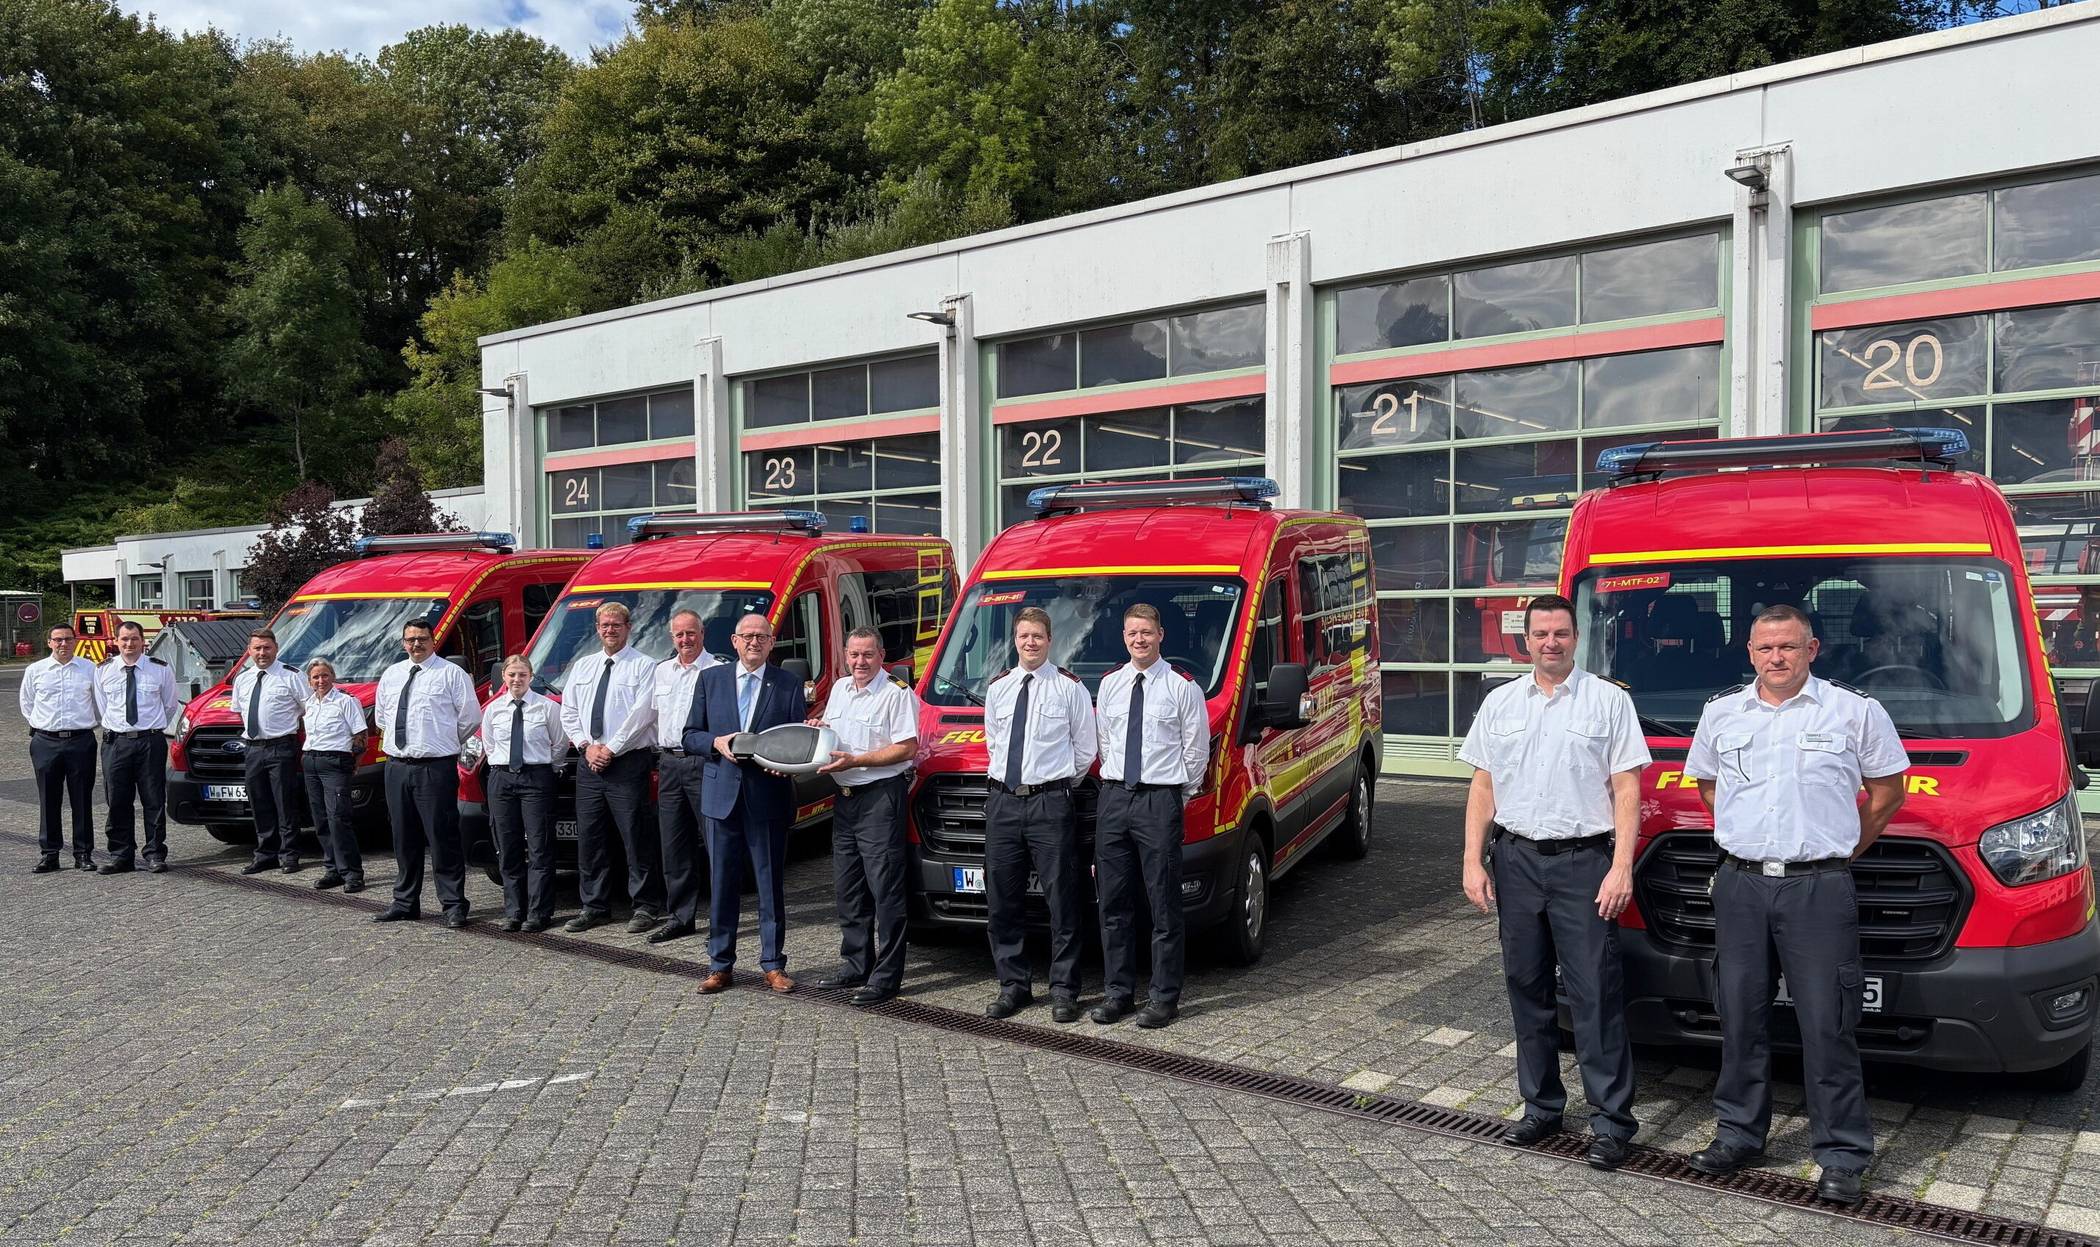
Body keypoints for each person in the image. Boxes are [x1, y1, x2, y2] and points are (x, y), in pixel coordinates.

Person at [1682, 604, 1906, 1206]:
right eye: (1764, 648)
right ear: (1749, 652)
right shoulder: (1721, 714)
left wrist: (1835, 852)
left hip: (1818, 889)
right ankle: (1739, 1135)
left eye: (1788, 646)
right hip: (1741, 884)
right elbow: (1708, 785)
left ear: (1812, 649)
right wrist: (1747, 837)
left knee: (1828, 1023)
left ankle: (1839, 1154)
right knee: (1740, 1015)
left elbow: (1888, 791)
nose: (1775, 657)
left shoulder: (1855, 712)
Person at [1456, 593, 1649, 1171]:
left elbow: (1627, 789)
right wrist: (1472, 860)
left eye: (1561, 633)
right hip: (1515, 861)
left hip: (1584, 864)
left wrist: (1621, 866)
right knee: (1526, 986)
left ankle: (1612, 1121)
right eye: (1540, 634)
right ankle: (1541, 1107)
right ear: (1526, 639)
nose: (1550, 643)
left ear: (1575, 636)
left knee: (1594, 993)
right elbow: (1483, 788)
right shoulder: (1499, 703)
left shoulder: (1608, 702)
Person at [1090, 604, 1208, 1030]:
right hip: (1115, 797)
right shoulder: (1110, 686)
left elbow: (1196, 752)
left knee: (1163, 904)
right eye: (1132, 633)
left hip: (1159, 801)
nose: (1139, 639)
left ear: (1162, 635)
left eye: (1146, 632)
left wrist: (1176, 793)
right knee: (1114, 903)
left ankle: (1163, 997)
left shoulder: (1182, 687)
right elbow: (1105, 744)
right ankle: (1118, 993)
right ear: (1124, 636)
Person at [981, 606, 1097, 1023]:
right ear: (1015, 640)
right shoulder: (999, 688)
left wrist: (1054, 787)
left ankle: (1064, 989)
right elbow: (995, 743)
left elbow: (1085, 751)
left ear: (1051, 641)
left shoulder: (1069, 689)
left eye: (1038, 636)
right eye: (1024, 636)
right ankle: (1013, 986)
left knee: (1062, 900)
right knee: (1002, 900)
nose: (1030, 643)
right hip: (1004, 802)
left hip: (1051, 804)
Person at [682, 612, 807, 994]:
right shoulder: (711, 679)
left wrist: (783, 766)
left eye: (762, 637)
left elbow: (798, 743)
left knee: (770, 886)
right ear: (734, 641)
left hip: (767, 797)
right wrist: (715, 743)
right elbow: (689, 735)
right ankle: (720, 964)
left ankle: (773, 964)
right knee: (721, 884)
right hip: (721, 797)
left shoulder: (787, 683)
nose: (754, 642)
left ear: (772, 643)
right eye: (747, 636)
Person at [809, 627, 922, 1006]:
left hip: (879, 798)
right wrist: (819, 731)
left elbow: (907, 748)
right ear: (845, 655)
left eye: (868, 655)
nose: (860, 662)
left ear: (881, 655)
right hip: (844, 798)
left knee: (885, 890)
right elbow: (838, 735)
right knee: (849, 887)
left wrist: (857, 760)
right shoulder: (840, 688)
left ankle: (886, 977)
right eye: (854, 655)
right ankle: (856, 963)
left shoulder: (896, 693)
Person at [608, 607, 719, 944]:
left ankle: (721, 918)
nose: (685, 640)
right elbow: (642, 716)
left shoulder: (717, 671)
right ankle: (680, 917)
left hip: (705, 763)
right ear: (672, 638)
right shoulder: (661, 673)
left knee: (716, 843)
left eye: (691, 633)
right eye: (679, 634)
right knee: (674, 844)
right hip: (668, 764)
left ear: (702, 634)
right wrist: (611, 747)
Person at [559, 601, 664, 934]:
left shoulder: (645, 666)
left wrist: (611, 748)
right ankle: (594, 906)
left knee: (635, 836)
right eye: (604, 625)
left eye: (615, 625)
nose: (609, 630)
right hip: (589, 763)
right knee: (590, 838)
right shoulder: (583, 666)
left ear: (628, 627)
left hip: (628, 762)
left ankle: (646, 906)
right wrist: (587, 746)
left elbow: (642, 715)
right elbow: (568, 711)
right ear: (597, 628)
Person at [371, 618, 481, 928]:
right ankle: (405, 902)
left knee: (441, 837)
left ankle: (454, 904)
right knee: (403, 837)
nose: (415, 644)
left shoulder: (451, 674)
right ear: (403, 643)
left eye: (421, 639)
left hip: (435, 766)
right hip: (397, 766)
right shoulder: (392, 675)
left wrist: (441, 741)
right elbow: (382, 717)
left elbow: (470, 718)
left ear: (434, 641)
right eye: (410, 639)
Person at [481, 654, 566, 932]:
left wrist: (543, 769)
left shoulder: (545, 708)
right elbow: (490, 746)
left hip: (536, 777)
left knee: (540, 847)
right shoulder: (493, 710)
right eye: (512, 675)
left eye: (522, 675)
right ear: (504, 677)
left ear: (531, 677)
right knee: (508, 847)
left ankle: (539, 912)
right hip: (502, 778)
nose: (517, 680)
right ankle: (514, 911)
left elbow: (559, 745)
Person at [92, 620, 181, 874]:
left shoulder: (160, 670)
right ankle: (121, 855)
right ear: (116, 642)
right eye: (124, 639)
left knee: (153, 799)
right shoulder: (103, 670)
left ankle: (154, 853)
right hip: (116, 742)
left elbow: (170, 705)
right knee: (117, 799)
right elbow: (102, 706)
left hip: (149, 742)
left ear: (143, 641)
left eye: (134, 639)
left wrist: (148, 727)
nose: (129, 644)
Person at [21, 623, 100, 873]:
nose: (63, 644)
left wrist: (87, 725)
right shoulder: (36, 670)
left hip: (81, 740)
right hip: (45, 741)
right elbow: (27, 702)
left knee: (82, 799)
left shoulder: (90, 670)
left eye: (68, 639)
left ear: (75, 641)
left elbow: (100, 704)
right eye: (58, 640)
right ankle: (50, 854)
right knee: (48, 798)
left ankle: (83, 853)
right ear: (49, 642)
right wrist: (42, 725)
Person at [230, 628, 308, 875]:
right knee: (259, 802)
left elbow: (310, 709)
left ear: (276, 648)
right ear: (249, 650)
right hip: (253, 749)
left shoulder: (291, 676)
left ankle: (289, 854)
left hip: (281, 747)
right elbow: (238, 712)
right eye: (257, 648)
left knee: (285, 803)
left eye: (267, 647)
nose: (262, 653)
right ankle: (265, 854)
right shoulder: (242, 679)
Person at [300, 658, 368, 893]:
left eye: (325, 675)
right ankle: (333, 869)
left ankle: (352, 873)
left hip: (335, 762)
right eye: (316, 677)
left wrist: (354, 763)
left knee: (339, 818)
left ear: (333, 676)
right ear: (309, 681)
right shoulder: (309, 704)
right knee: (320, 819)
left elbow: (361, 735)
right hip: (311, 761)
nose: (321, 680)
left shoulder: (346, 702)